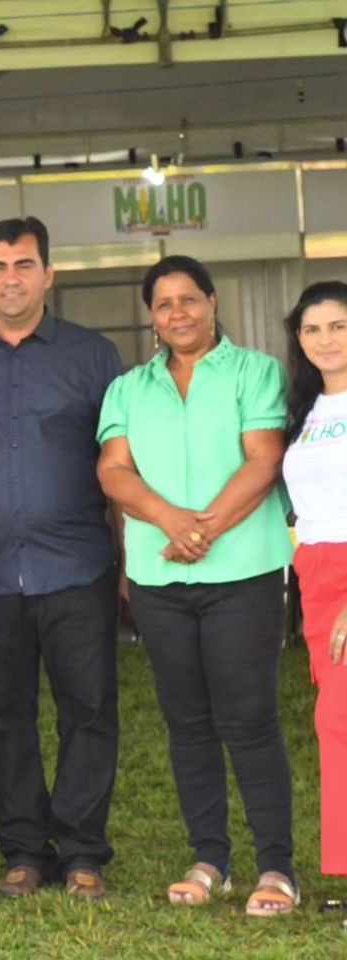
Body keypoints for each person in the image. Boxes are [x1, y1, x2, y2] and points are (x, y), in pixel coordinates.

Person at [97, 255, 296, 916]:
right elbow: (113, 471)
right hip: (160, 580)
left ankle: (276, 868)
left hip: (242, 574)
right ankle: (211, 859)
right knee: (187, 723)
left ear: (212, 302)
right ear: (150, 317)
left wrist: (200, 530)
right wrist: (169, 521)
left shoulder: (255, 372)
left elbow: (263, 459)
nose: (177, 312)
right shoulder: (128, 388)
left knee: (249, 718)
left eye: (188, 299)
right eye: (163, 303)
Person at [0, 217, 122, 902]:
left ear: (48, 274)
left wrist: (128, 562)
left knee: (89, 711)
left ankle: (81, 852)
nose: (10, 278)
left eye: (23, 265)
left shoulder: (93, 357)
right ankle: (22, 851)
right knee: (4, 717)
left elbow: (121, 461)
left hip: (78, 567)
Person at [282, 281, 347, 889]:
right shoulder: (304, 410)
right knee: (335, 726)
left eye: (338, 326)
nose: (325, 339)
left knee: (339, 721)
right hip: (317, 576)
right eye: (312, 329)